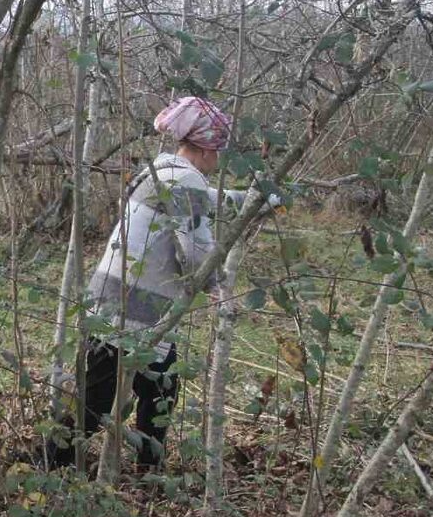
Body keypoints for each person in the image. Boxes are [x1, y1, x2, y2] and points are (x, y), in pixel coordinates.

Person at [44, 96, 279, 470]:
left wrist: (250, 202)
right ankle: (50, 467)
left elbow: (206, 202)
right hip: (131, 308)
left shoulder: (164, 170)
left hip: (118, 299)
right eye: (218, 150)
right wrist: (220, 286)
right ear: (206, 148)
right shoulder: (186, 181)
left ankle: (148, 469)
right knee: (97, 400)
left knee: (159, 388)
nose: (220, 158)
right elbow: (196, 254)